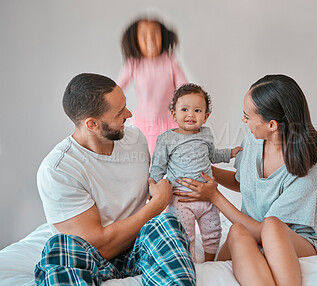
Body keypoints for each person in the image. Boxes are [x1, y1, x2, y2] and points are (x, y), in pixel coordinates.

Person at [34, 73, 196, 286]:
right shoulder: (59, 170)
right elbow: (100, 246)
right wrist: (157, 204)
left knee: (167, 224)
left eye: (126, 106)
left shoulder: (135, 139)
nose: (129, 114)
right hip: (92, 257)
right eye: (120, 113)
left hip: (140, 245)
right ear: (92, 124)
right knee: (59, 248)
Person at [174, 75, 317, 286]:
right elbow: (240, 182)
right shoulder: (253, 142)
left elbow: (265, 231)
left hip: (292, 240)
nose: (243, 120)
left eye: (247, 115)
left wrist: (215, 196)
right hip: (249, 231)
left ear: (272, 124)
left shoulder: (306, 166)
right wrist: (204, 169)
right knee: (236, 231)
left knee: (271, 226)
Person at [150, 83, 242, 262]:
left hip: (207, 196)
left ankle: (209, 261)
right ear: (174, 114)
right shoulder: (167, 138)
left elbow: (212, 155)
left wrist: (229, 153)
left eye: (198, 111)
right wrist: (153, 190)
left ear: (206, 116)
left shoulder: (206, 134)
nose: (191, 114)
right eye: (185, 109)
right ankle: (189, 263)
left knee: (213, 231)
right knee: (185, 234)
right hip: (181, 198)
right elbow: (158, 166)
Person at [118, 17, 187, 155]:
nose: (150, 39)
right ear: (135, 40)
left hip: (170, 122)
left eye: (155, 34)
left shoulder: (170, 61)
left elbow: (185, 89)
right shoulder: (134, 63)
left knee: (177, 157)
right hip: (143, 124)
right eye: (144, 35)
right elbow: (118, 88)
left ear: (163, 36)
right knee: (144, 159)